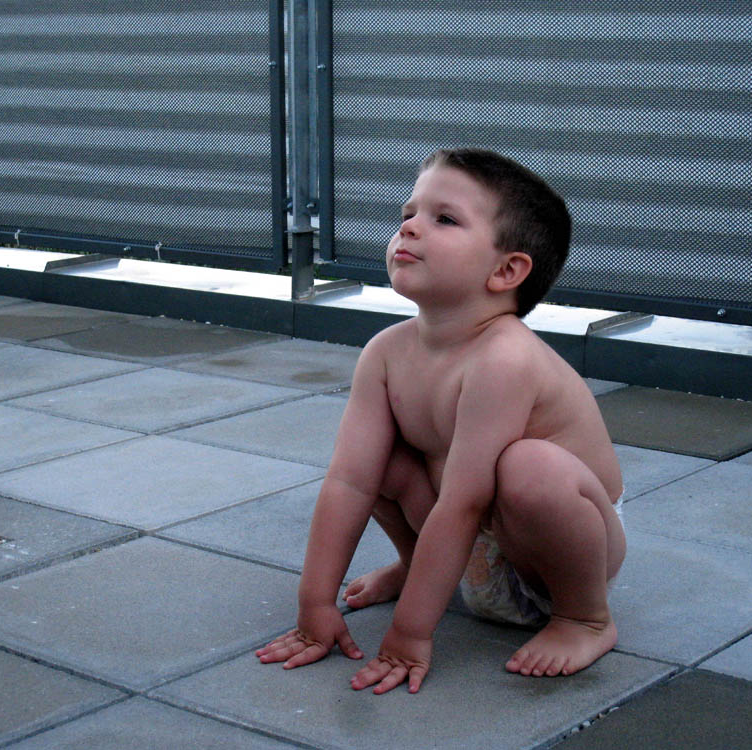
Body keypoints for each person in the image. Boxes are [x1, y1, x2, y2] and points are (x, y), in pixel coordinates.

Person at [256, 147, 625, 695]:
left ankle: (585, 618)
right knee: (375, 459)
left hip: (553, 561)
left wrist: (409, 634)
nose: (409, 228)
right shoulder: (386, 352)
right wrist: (315, 605)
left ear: (506, 271)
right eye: (408, 214)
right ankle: (416, 568)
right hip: (467, 543)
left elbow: (465, 502)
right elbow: (349, 481)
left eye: (444, 219)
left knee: (530, 467)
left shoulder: (504, 358)